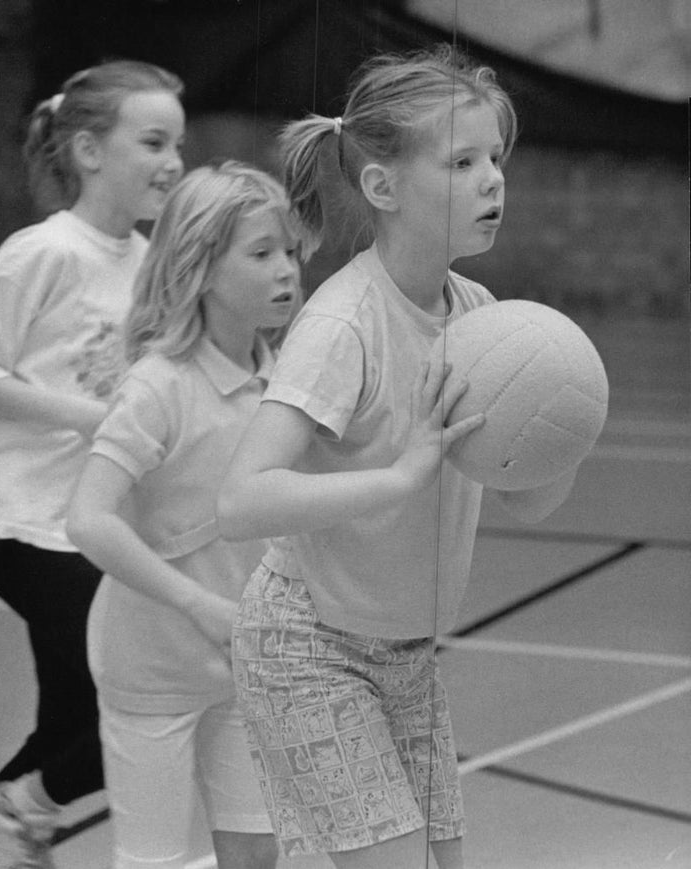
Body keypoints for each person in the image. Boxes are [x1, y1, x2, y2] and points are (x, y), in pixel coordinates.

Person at [216, 46, 578, 869]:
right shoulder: (345, 325)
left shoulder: (479, 315)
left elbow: (526, 501)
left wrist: (560, 437)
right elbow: (240, 499)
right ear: (384, 188)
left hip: (408, 653)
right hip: (309, 646)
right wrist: (399, 474)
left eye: (496, 159)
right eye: (462, 162)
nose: (494, 179)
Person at [0, 59, 186, 869]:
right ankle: (8, 821)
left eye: (179, 141)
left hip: (98, 530)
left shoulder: (152, 261)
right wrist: (92, 417)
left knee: (68, 718)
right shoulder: (38, 254)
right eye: (153, 141)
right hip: (28, 527)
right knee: (131, 698)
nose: (173, 161)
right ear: (87, 151)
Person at [65, 160, 301, 869]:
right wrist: (197, 601)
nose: (287, 269)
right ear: (200, 268)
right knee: (153, 861)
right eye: (261, 253)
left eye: (290, 250)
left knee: (258, 851)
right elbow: (89, 519)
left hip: (244, 660)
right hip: (152, 665)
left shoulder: (283, 377)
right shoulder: (159, 386)